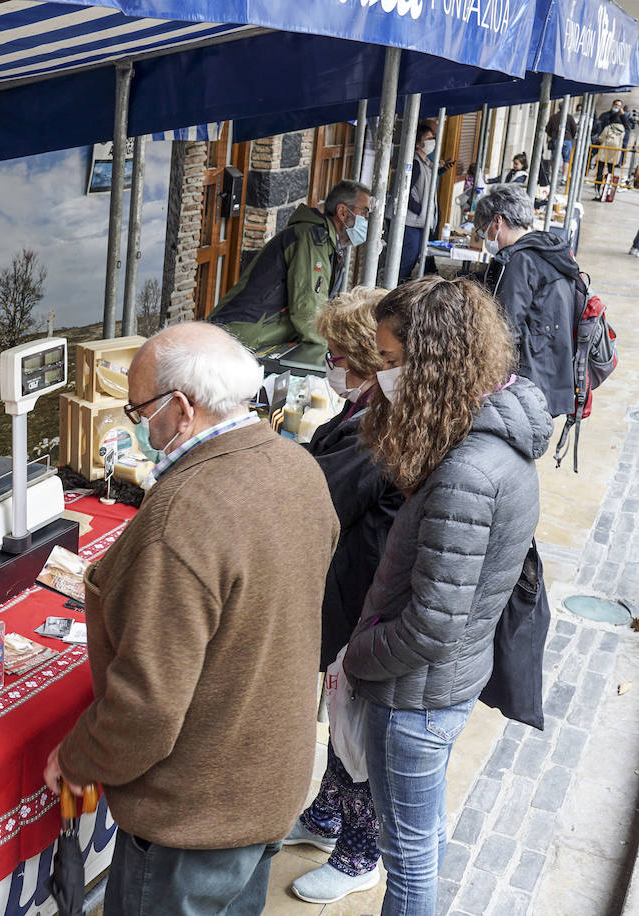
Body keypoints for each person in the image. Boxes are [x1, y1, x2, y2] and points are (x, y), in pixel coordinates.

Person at [42, 322, 340, 916]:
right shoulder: (298, 467)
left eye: (138, 409)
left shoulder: (183, 513)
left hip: (195, 813)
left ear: (180, 409)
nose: (136, 425)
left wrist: (78, 758)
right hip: (265, 782)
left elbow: (147, 708)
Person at [343, 276, 551, 916]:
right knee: (418, 834)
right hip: (441, 686)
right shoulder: (485, 442)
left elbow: (430, 624)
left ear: (430, 361)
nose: (381, 374)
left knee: (407, 864)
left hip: (417, 696)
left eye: (389, 359)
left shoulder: (467, 472)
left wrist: (358, 657)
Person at [282, 287, 404, 905]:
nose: (328, 363)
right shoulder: (363, 411)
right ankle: (327, 817)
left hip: (364, 596)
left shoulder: (379, 427)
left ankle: (361, 855)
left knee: (357, 726)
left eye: (335, 353)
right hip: (353, 586)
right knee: (343, 718)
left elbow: (322, 493)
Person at [210, 179, 372, 351]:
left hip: (254, 339)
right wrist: (329, 351)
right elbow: (309, 308)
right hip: (239, 338)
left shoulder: (328, 244)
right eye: (364, 212)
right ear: (343, 212)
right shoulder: (312, 240)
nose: (367, 220)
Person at [473, 184, 580, 417]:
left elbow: (505, 326)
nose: (486, 238)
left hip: (529, 378)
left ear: (498, 221)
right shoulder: (551, 250)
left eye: (484, 230)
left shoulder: (519, 261)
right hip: (554, 373)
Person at [400, 121, 453, 282]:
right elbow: (405, 191)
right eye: (429, 138)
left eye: (433, 138)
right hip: (412, 221)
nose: (433, 142)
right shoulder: (415, 163)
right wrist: (419, 209)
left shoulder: (426, 163)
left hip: (420, 221)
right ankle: (395, 290)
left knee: (415, 256)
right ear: (418, 143)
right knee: (407, 260)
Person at [545, 103, 578, 180]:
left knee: (554, 158)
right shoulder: (570, 117)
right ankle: (564, 177)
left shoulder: (553, 117)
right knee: (566, 160)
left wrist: (552, 135)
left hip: (555, 139)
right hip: (567, 140)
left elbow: (548, 129)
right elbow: (574, 129)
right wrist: (570, 137)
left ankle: (553, 176)